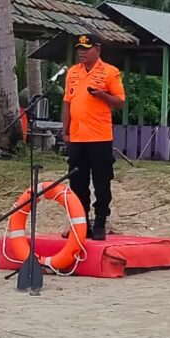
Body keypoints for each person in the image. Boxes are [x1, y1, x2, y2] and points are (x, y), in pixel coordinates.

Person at [62, 34, 125, 241]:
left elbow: (120, 102)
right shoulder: (72, 72)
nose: (82, 52)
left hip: (99, 137)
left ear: (97, 49)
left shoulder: (110, 72)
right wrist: (65, 130)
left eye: (86, 48)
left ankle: (99, 222)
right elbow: (68, 102)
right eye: (79, 48)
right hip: (77, 137)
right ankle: (81, 223)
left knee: (101, 182)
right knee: (77, 183)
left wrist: (102, 95)